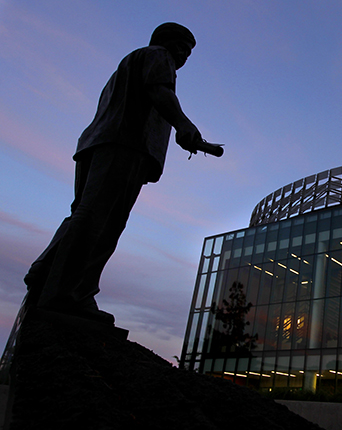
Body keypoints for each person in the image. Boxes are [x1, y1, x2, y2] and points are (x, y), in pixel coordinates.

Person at [23, 23, 206, 325]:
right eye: (182, 46)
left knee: (84, 214)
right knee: (104, 223)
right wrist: (183, 124)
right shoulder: (158, 57)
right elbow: (160, 93)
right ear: (167, 43)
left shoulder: (131, 63)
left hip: (100, 144)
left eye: (189, 50)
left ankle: (46, 272)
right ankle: (69, 293)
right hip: (124, 145)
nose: (185, 54)